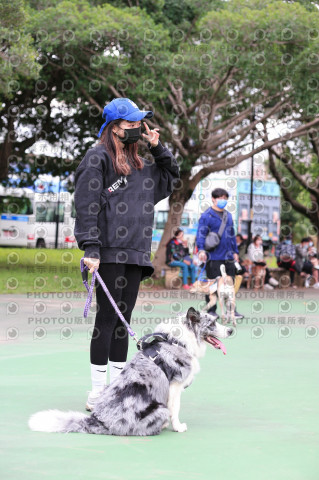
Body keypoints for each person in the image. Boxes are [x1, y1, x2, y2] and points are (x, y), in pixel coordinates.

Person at [74, 97, 179, 411]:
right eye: (129, 124)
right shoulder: (97, 158)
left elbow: (172, 179)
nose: (136, 129)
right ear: (113, 128)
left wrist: (158, 148)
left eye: (138, 124)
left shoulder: (141, 166)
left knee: (123, 322)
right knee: (106, 321)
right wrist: (91, 248)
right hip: (106, 253)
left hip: (135, 254)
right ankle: (97, 392)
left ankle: (118, 391)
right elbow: (87, 205)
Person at [196, 188, 244, 320]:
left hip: (228, 256)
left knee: (230, 283)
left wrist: (235, 251)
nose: (223, 200)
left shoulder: (228, 216)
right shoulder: (206, 216)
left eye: (225, 198)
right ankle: (211, 310)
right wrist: (201, 250)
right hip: (213, 255)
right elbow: (201, 234)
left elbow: (232, 234)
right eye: (220, 197)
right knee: (212, 284)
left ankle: (231, 310)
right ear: (213, 199)